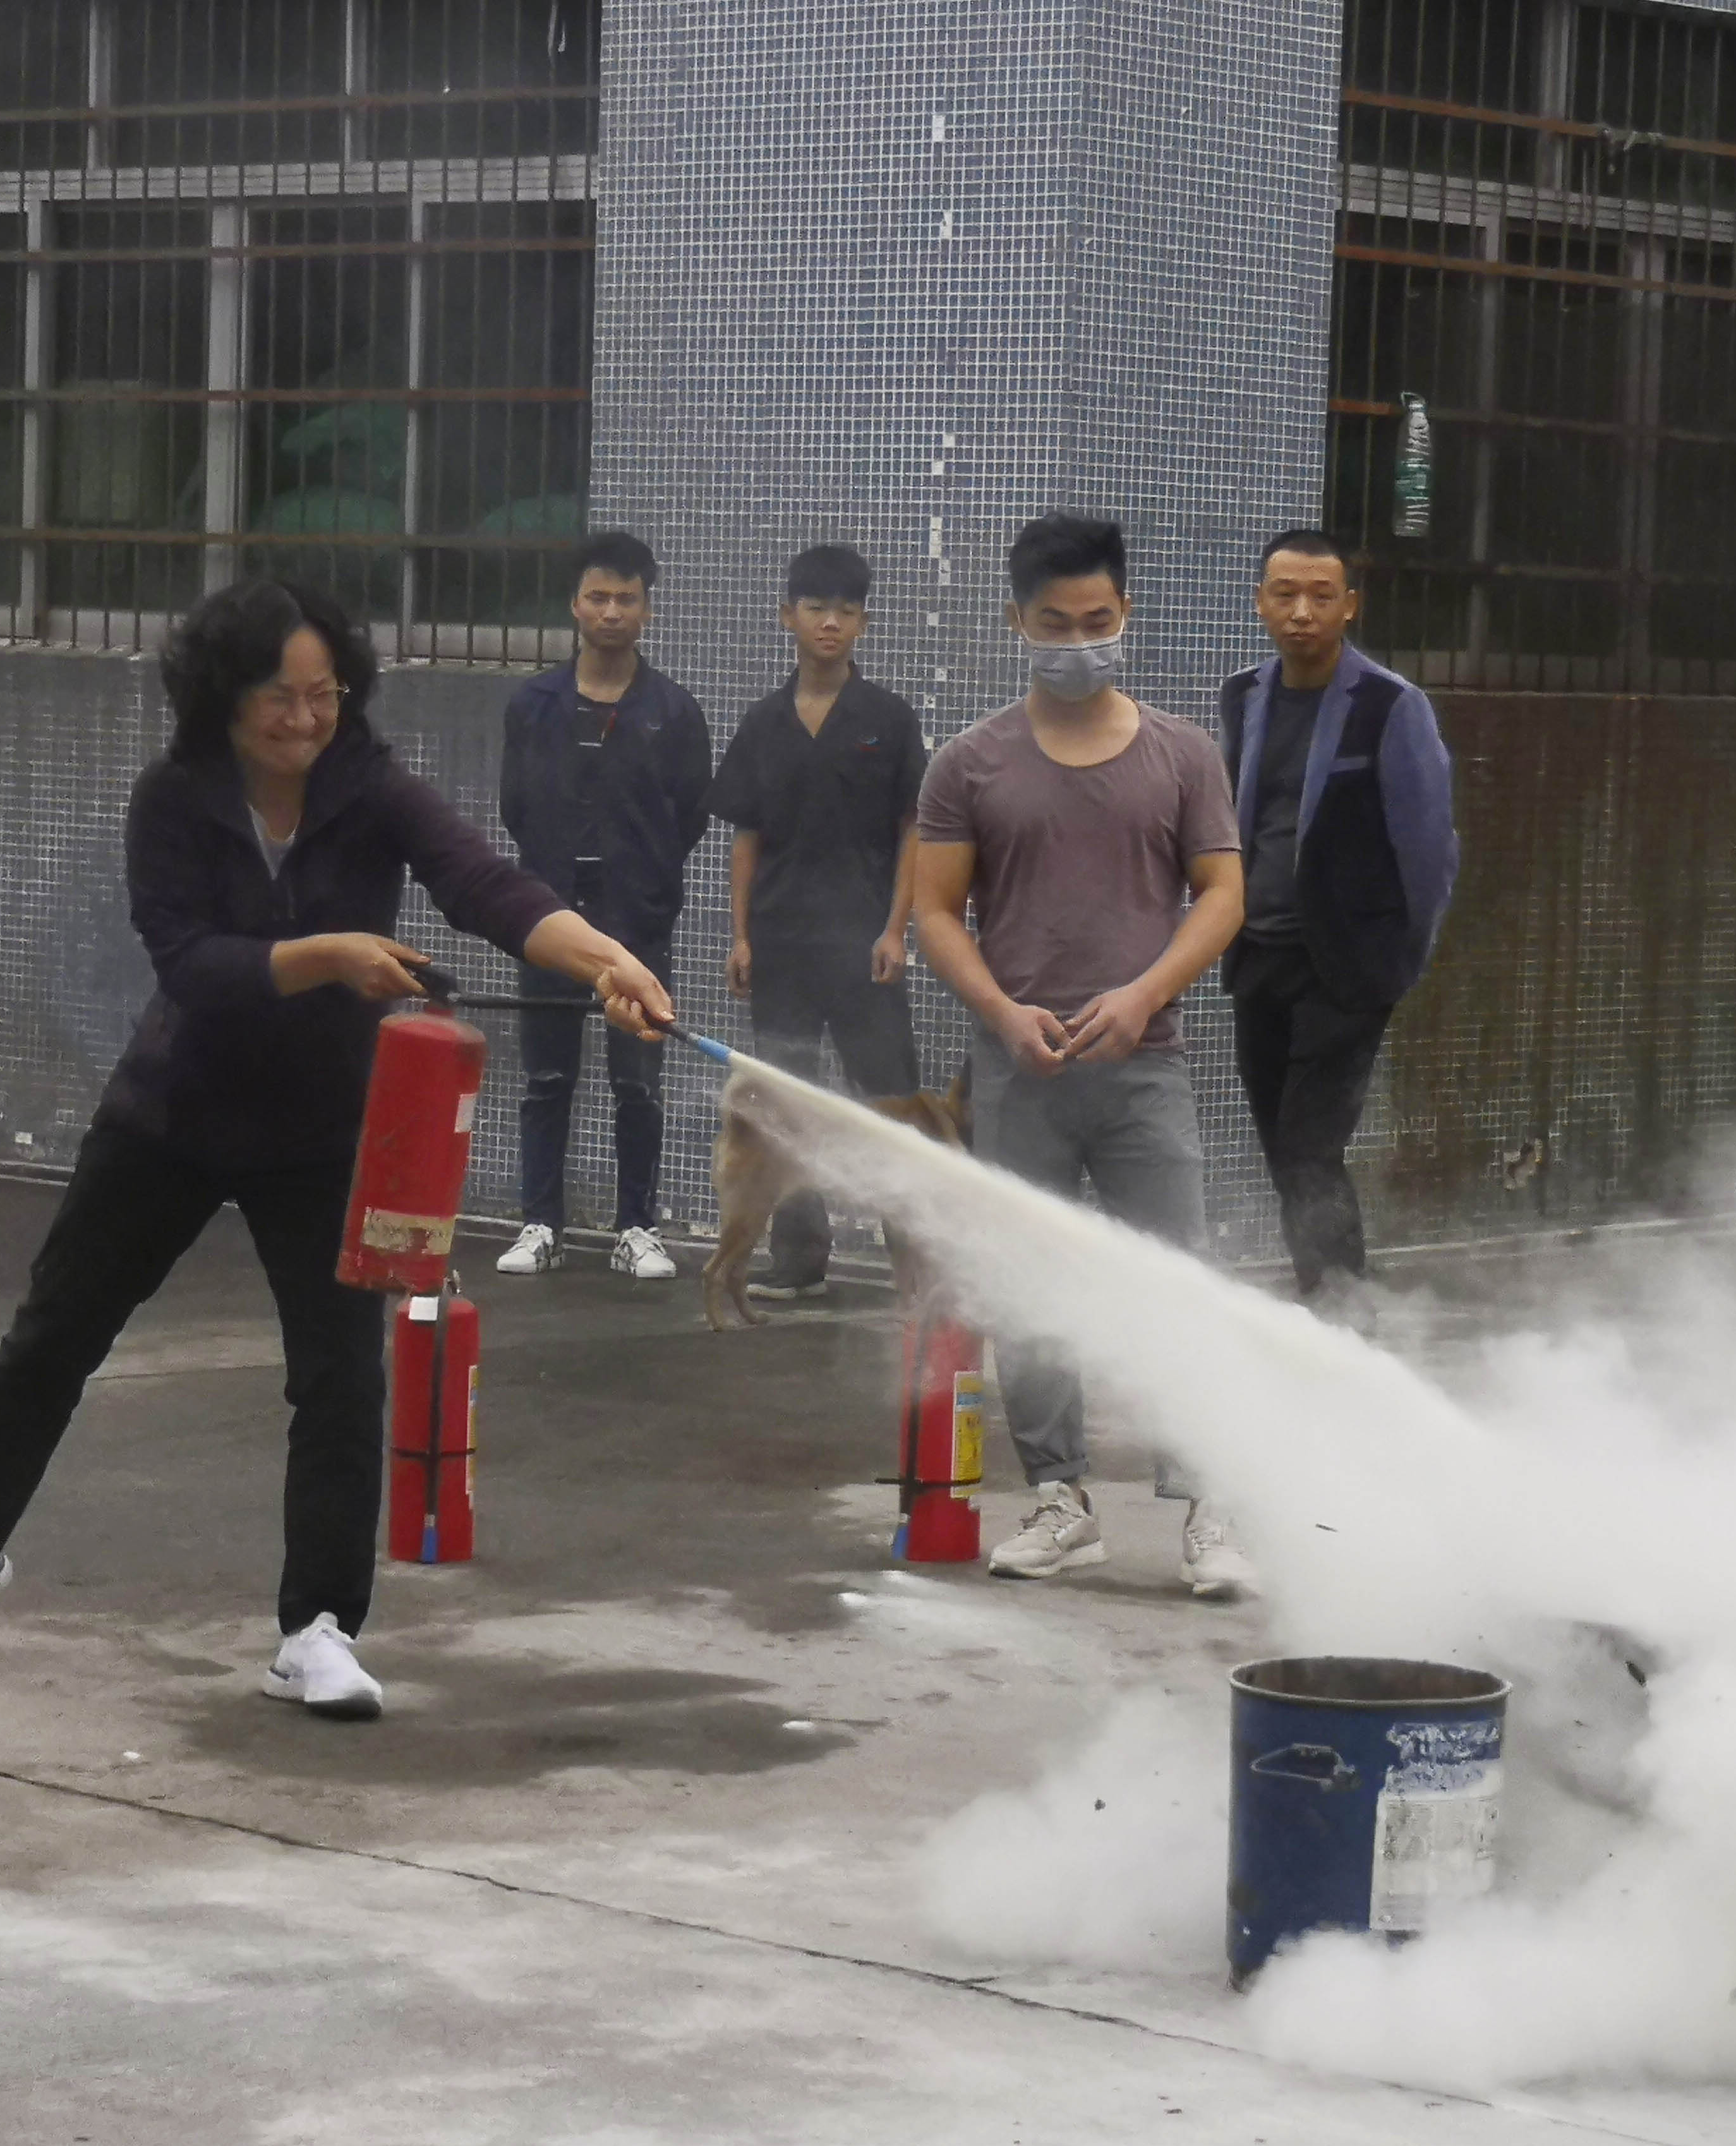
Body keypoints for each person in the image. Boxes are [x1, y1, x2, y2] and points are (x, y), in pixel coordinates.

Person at [0, 580, 675, 1715]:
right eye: (279, 698)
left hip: (322, 1129)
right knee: (53, 1337)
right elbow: (191, 965)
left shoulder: (371, 788)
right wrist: (332, 952)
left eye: (324, 695)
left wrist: (606, 963)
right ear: (223, 698)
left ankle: (318, 1629)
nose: (305, 720)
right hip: (173, 1116)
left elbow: (483, 885)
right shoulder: (173, 798)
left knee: (340, 1378)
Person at [912, 510, 1255, 1600]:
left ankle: (1207, 1507)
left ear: (1126, 614)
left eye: (1097, 621)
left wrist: (1146, 992)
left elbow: (1223, 895)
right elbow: (934, 910)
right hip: (1021, 1074)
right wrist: (1002, 1012)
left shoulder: (1182, 755)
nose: (1078, 642)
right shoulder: (969, 763)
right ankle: (1060, 1500)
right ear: (1018, 622)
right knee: (1030, 1289)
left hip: (1145, 1069)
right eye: (1055, 624)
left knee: (1176, 1281)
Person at [1217, 529, 1459, 1301]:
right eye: (1285, 594)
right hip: (1259, 956)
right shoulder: (1243, 696)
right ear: (1260, 602)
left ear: (1349, 606)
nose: (1302, 612)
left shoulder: (1390, 705)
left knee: (1309, 1147)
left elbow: (1428, 851)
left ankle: (1344, 1309)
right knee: (1281, 1146)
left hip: (1347, 970)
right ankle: (1326, 1295)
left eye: (1322, 596)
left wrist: (1394, 966)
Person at [711, 543, 928, 1298]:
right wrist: (742, 937)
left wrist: (896, 929)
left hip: (864, 949)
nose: (830, 623)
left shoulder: (889, 719)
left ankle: (918, 1260)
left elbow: (914, 829)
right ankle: (799, 1259)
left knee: (892, 1105)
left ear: (863, 622)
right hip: (782, 946)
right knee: (789, 1108)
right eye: (815, 609)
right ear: (788, 617)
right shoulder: (764, 723)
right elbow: (746, 837)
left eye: (845, 611)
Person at [493, 532, 712, 1282]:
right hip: (552, 919)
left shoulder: (673, 711)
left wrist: (643, 879)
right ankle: (540, 1224)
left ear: (647, 609)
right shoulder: (534, 705)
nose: (611, 611)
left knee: (638, 1083)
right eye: (598, 597)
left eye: (626, 599)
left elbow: (690, 815)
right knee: (547, 1079)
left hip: (638, 920)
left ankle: (638, 1229)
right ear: (574, 604)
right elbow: (516, 807)